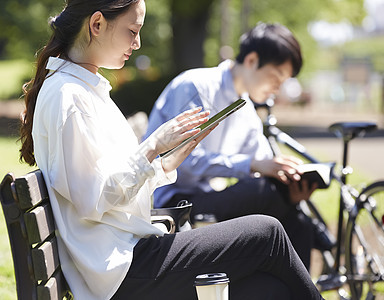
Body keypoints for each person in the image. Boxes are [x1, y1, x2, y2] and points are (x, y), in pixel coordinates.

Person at [18, 1, 323, 299]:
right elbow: (92, 200)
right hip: (121, 268)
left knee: (272, 290)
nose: (137, 43)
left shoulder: (82, 90)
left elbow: (105, 189)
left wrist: (163, 165)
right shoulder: (70, 97)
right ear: (96, 25)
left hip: (126, 256)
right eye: (132, 30)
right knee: (267, 234)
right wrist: (152, 147)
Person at [144, 22, 319, 270]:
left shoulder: (246, 109)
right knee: (267, 194)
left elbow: (261, 162)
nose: (277, 89)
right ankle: (322, 241)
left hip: (212, 198)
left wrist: (288, 182)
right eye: (275, 78)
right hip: (175, 202)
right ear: (251, 60)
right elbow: (182, 161)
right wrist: (254, 165)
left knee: (296, 222)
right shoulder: (196, 86)